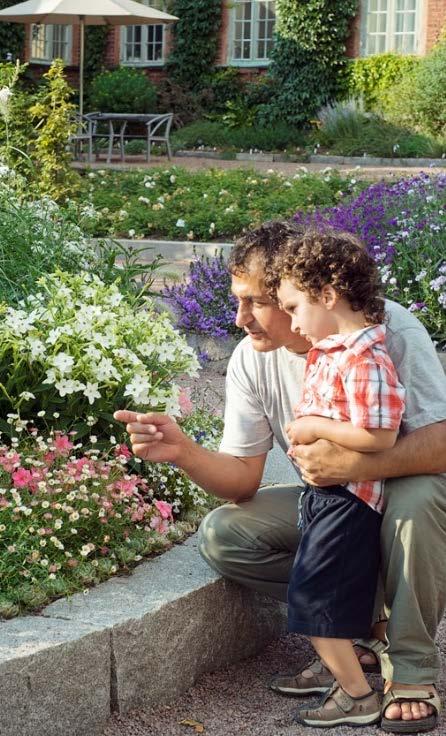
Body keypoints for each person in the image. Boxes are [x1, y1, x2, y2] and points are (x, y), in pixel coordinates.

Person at [114, 220, 446, 734]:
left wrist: (359, 466)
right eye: (237, 301)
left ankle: (412, 671)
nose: (240, 318)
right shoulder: (253, 357)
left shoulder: (386, 332)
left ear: (311, 295)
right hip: (335, 502)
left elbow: (442, 444)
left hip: (398, 491)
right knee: (226, 534)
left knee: (418, 502)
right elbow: (244, 480)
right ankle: (359, 635)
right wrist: (182, 451)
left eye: (259, 303)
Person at [271, 230, 406, 727]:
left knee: (312, 601)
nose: (290, 322)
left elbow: (380, 435)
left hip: (347, 501)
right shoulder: (335, 352)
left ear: (328, 295)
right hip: (326, 497)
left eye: (293, 308)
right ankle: (349, 680)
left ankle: (356, 695)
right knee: (321, 597)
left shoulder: (363, 357)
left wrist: (312, 426)